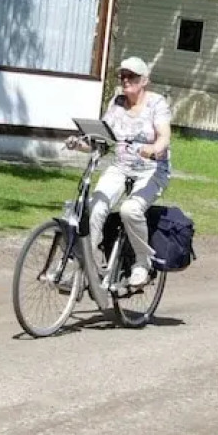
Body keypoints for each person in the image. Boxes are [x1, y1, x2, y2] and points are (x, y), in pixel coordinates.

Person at [68, 56, 172, 288]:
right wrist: (80, 143)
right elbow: (102, 141)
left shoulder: (157, 103)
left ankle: (142, 265)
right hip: (121, 166)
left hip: (152, 169)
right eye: (122, 76)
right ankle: (87, 268)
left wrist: (154, 149)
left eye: (131, 76)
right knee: (95, 207)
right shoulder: (117, 102)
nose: (125, 80)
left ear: (144, 80)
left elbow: (164, 135)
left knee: (130, 209)